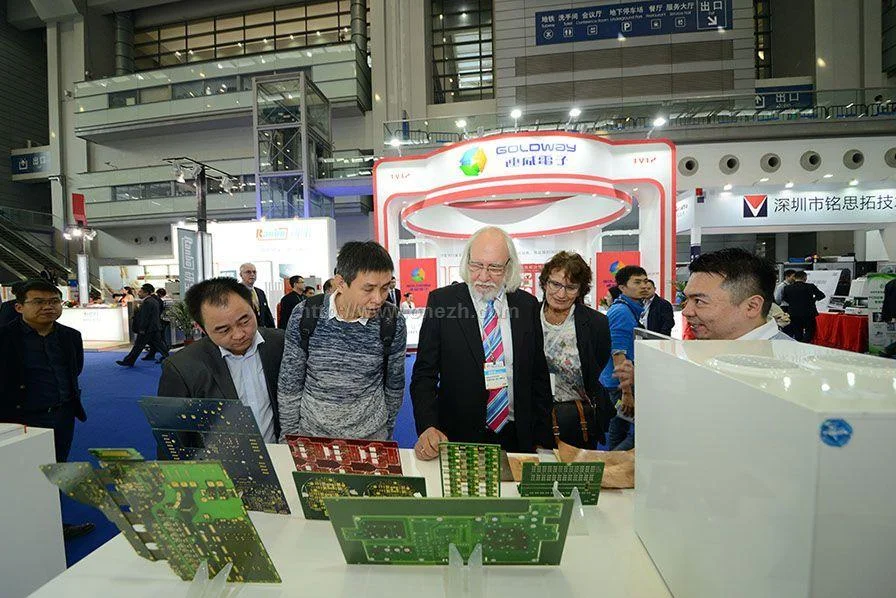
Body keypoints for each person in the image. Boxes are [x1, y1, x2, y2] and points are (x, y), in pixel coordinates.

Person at [410, 226, 552, 458]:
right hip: (458, 437)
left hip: (518, 435)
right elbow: (424, 374)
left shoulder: (526, 306)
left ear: (509, 267)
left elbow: (539, 376)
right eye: (476, 265)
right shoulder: (442, 302)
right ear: (467, 261)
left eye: (494, 268)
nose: (483, 277)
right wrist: (428, 425)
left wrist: (542, 439)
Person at [612, 248, 794, 407]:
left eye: (699, 301)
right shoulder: (712, 348)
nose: (686, 312)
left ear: (751, 306)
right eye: (687, 299)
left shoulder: (791, 369)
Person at [278, 241, 407, 441]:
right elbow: (290, 382)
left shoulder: (392, 320)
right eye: (368, 289)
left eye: (385, 288)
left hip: (371, 438)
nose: (378, 299)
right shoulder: (305, 314)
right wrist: (290, 438)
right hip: (312, 437)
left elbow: (394, 385)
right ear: (340, 283)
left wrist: (384, 431)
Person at [0, 279, 94, 540]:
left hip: (62, 415)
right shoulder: (4, 338)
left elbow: (75, 370)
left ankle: (52, 526)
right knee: (20, 474)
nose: (48, 307)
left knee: (55, 470)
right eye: (39, 302)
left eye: (54, 301)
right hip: (21, 419)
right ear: (19, 307)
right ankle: (21, 529)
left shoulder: (70, 336)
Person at [157, 277, 285, 442]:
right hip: (220, 457)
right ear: (201, 328)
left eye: (244, 321)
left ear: (254, 309)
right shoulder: (182, 367)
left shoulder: (281, 343)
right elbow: (173, 435)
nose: (239, 335)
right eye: (224, 330)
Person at [538, 251, 614, 449]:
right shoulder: (527, 316)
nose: (561, 294)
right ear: (545, 283)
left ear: (580, 290)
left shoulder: (596, 323)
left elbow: (597, 362)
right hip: (532, 415)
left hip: (577, 418)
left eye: (571, 287)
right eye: (555, 284)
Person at [600, 265, 650, 451]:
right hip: (619, 385)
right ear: (622, 287)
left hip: (619, 382)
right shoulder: (622, 312)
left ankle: (614, 464)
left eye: (645, 281)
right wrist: (626, 392)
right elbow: (618, 354)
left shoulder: (630, 308)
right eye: (637, 282)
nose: (643, 286)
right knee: (635, 434)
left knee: (620, 430)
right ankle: (612, 464)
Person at [116, 283, 169, 367]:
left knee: (138, 346)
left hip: (148, 329)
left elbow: (145, 317)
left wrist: (142, 328)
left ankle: (129, 361)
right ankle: (168, 358)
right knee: (158, 345)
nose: (138, 293)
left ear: (146, 293)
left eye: (141, 292)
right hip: (154, 328)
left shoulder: (148, 302)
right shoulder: (153, 301)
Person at [781, 270, 825, 343]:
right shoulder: (810, 286)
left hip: (794, 313)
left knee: (797, 332)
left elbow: (785, 299)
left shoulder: (787, 288)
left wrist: (793, 302)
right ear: (805, 278)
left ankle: (800, 344)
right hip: (809, 313)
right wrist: (813, 300)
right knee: (810, 330)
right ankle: (805, 342)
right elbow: (821, 295)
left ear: (795, 278)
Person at [239, 263, 275, 328]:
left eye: (254, 272)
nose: (252, 274)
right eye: (248, 272)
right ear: (241, 275)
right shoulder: (236, 292)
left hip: (261, 330)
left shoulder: (260, 292)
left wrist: (272, 330)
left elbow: (267, 314)